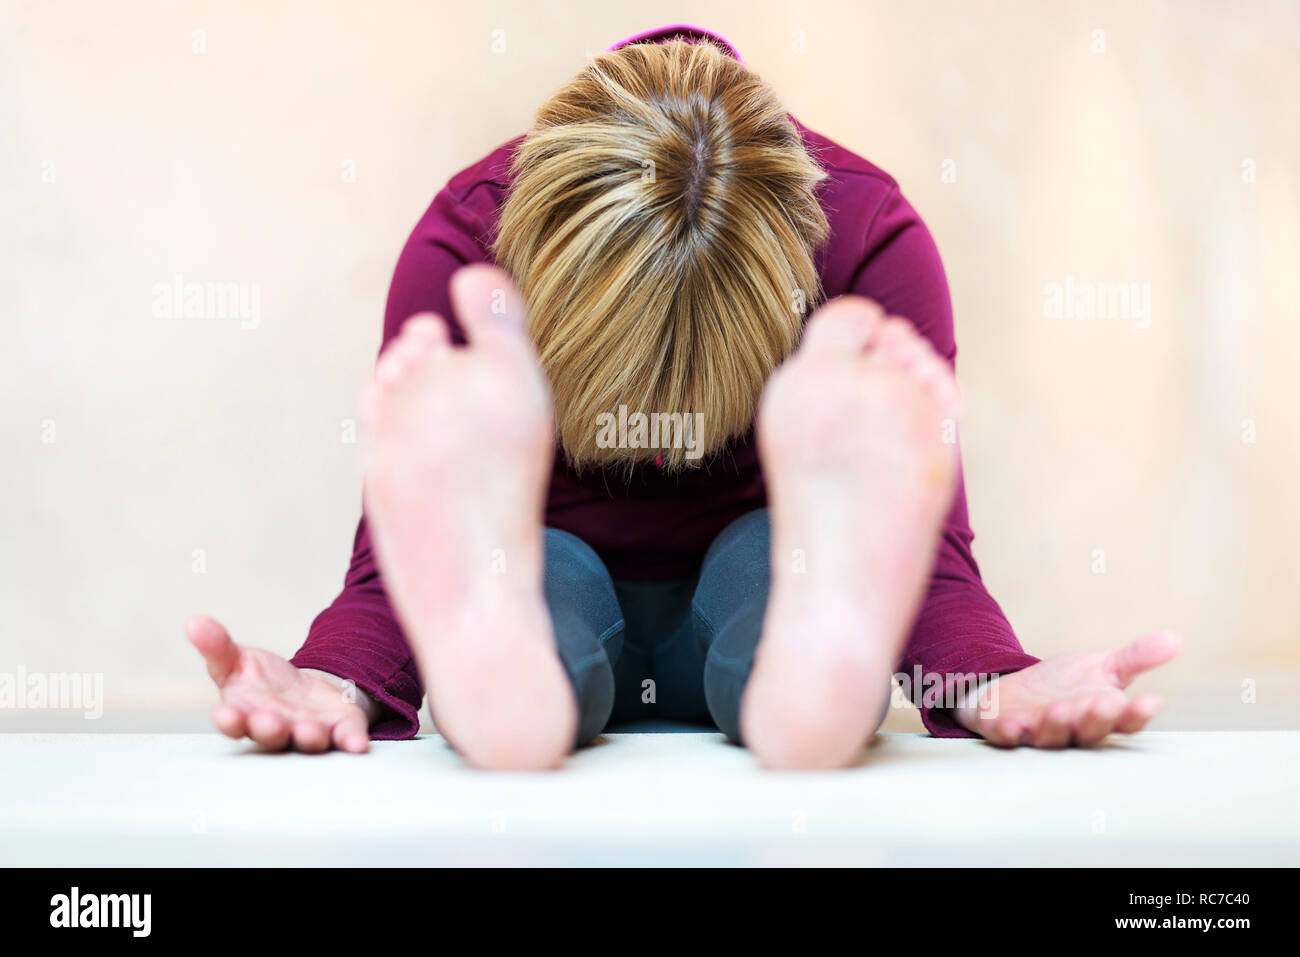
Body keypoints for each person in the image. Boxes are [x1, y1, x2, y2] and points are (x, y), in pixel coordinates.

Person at [186, 25, 1181, 770]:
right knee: (526, 577)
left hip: (762, 559)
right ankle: (512, 678)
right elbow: (400, 558)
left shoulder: (867, 242)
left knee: (775, 571)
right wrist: (337, 680)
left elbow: (920, 548)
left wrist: (983, 680)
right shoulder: (466, 251)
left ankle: (804, 674)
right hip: (546, 569)